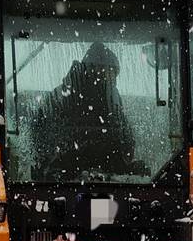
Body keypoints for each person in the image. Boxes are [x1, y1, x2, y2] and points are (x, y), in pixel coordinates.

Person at [31, 42, 136, 180]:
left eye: (114, 74)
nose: (113, 79)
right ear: (96, 69)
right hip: (64, 180)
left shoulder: (111, 100)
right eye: (110, 73)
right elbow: (43, 141)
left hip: (97, 177)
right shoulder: (61, 98)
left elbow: (125, 140)